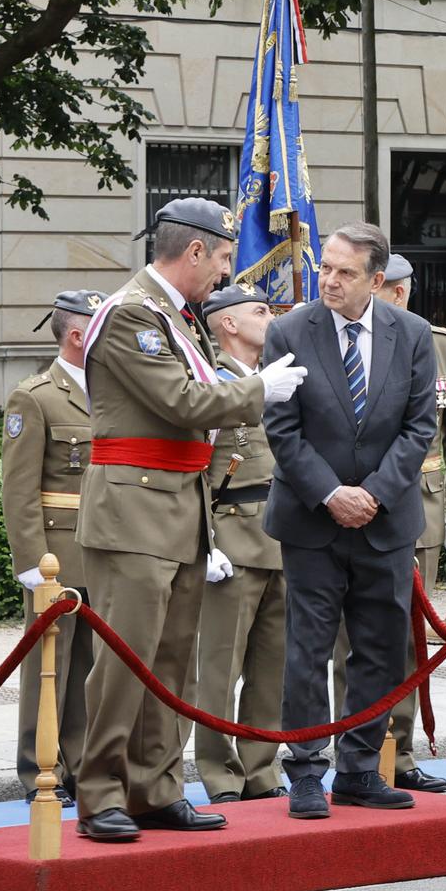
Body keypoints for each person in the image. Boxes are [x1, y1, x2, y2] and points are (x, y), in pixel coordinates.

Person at [74, 199, 305, 842]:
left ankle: (154, 788)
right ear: (195, 251)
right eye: (224, 257)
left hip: (177, 505)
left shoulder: (176, 320)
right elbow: (181, 401)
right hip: (134, 508)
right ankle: (100, 794)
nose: (226, 269)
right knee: (126, 660)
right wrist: (260, 391)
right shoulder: (130, 317)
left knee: (170, 661)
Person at [263, 223, 437, 819]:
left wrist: (376, 495)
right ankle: (307, 770)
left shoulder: (412, 334)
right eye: (325, 268)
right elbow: (281, 429)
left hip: (385, 521)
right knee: (307, 651)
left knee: (381, 645)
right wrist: (332, 493)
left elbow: (419, 427)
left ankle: (360, 767)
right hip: (313, 520)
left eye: (344, 272)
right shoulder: (289, 330)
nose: (329, 280)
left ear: (377, 280)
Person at [338, 254, 446, 793]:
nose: (396, 299)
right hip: (350, 508)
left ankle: (401, 750)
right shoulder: (338, 338)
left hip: (422, 507)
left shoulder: (443, 345)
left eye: (400, 290)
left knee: (407, 640)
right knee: (350, 642)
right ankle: (351, 748)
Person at [0, 288, 103, 806]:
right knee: (50, 665)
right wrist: (29, 562)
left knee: (88, 667)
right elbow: (18, 486)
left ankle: (81, 764)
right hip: (56, 552)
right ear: (79, 333)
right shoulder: (35, 396)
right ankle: (38, 767)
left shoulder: (112, 391)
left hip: (105, 547)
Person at [191, 281, 290, 803]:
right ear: (227, 322)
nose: (271, 317)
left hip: (280, 534)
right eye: (259, 310)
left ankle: (261, 770)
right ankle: (218, 772)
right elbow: (196, 471)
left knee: (271, 666)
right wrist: (206, 541)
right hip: (232, 534)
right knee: (220, 668)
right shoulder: (210, 380)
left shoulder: (278, 377)